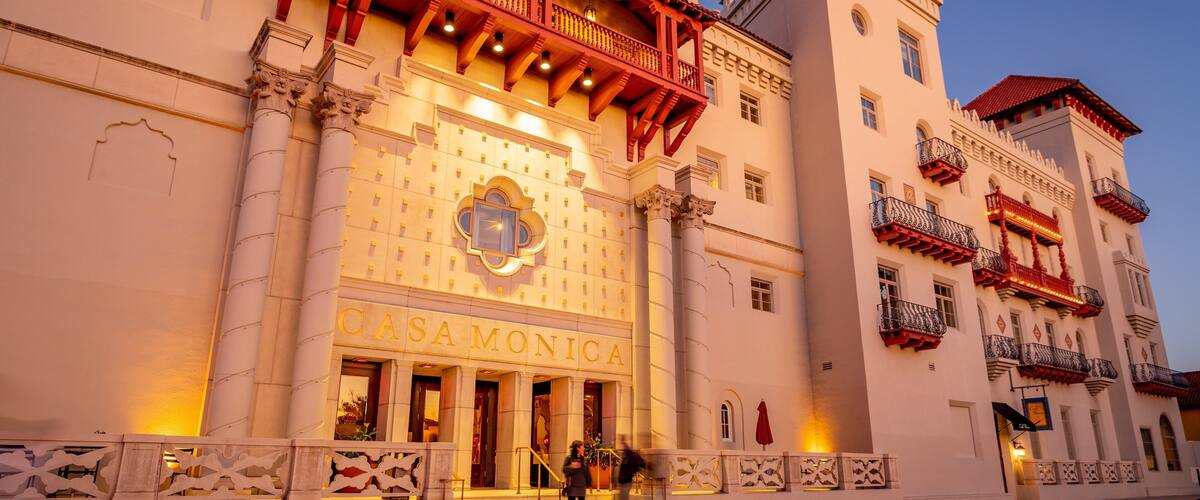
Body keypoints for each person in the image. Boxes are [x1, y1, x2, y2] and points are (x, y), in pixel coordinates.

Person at [615, 435, 644, 500]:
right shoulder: (626, 454)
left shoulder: (629, 454)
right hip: (623, 480)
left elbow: (635, 466)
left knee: (624, 497)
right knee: (622, 497)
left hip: (626, 481)